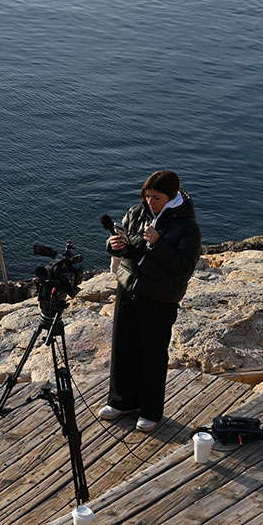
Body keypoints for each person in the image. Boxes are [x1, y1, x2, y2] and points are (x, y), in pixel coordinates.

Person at [101, 169, 202, 431]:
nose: (150, 202)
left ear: (171, 196)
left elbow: (184, 267)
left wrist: (158, 244)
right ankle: (121, 401)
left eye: (156, 198)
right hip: (128, 288)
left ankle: (150, 411)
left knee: (153, 355)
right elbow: (129, 249)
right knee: (123, 347)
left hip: (160, 298)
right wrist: (114, 245)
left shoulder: (188, 227)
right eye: (147, 196)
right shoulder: (137, 213)